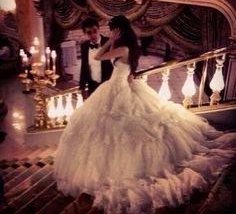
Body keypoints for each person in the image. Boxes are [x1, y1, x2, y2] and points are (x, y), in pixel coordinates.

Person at [54, 15, 236, 214]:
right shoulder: (129, 47)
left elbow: (98, 56)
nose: (111, 32)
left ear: (119, 31)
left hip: (117, 90)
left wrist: (112, 40)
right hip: (120, 85)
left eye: (114, 30)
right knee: (109, 131)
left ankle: (122, 170)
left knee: (117, 133)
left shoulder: (122, 47)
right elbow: (124, 67)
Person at [79, 17, 113, 99]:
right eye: (89, 33)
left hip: (108, 85)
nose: (93, 35)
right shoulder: (84, 46)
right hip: (93, 86)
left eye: (95, 31)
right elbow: (84, 67)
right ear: (85, 33)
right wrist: (82, 86)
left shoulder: (109, 42)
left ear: (99, 29)